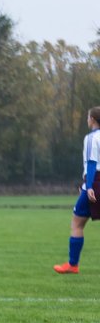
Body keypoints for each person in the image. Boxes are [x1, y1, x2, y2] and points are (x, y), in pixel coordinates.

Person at [53, 106, 100, 273]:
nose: (87, 120)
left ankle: (73, 265)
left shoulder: (91, 138)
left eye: (88, 117)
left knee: (77, 222)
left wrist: (89, 186)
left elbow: (92, 163)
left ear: (93, 120)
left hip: (95, 182)